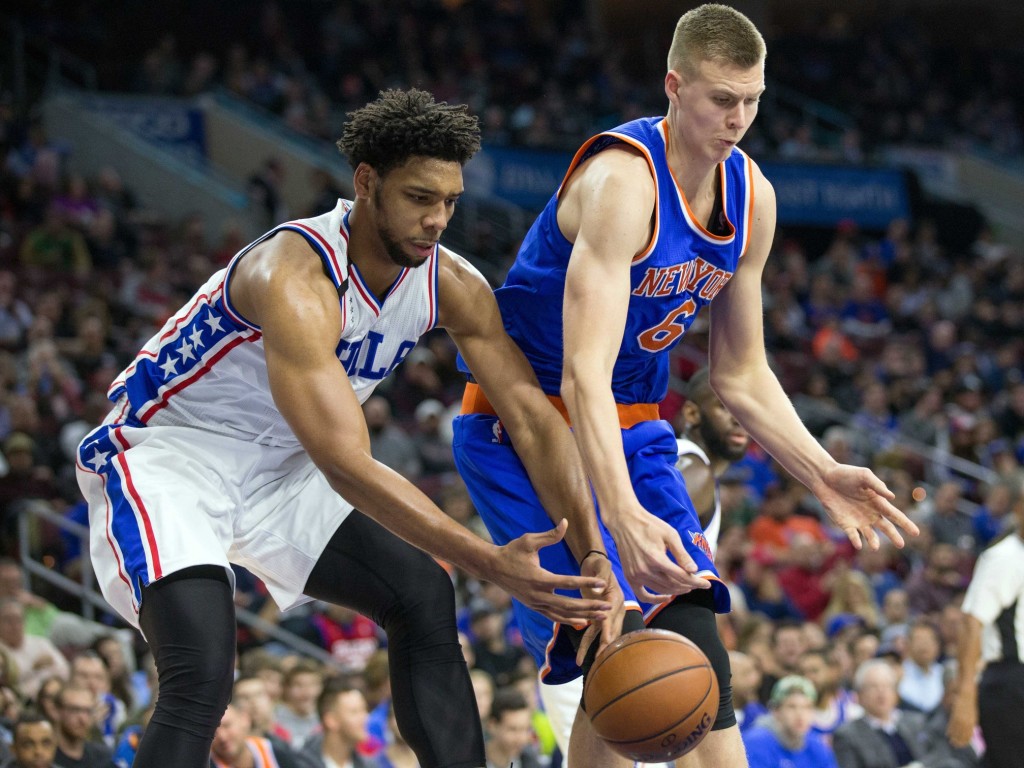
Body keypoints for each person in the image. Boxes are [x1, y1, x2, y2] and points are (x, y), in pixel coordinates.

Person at [75, 88, 617, 768]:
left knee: (422, 593)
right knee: (202, 671)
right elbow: (345, 463)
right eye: (419, 197)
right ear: (366, 183)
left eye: (450, 202)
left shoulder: (450, 283)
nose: (436, 220)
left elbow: (533, 419)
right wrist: (490, 563)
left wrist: (593, 549)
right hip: (170, 457)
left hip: (283, 466)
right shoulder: (294, 276)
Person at [451, 5, 918, 766]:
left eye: (753, 100)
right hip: (524, 422)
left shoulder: (753, 198)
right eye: (722, 99)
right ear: (674, 86)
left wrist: (819, 469)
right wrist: (623, 517)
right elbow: (583, 374)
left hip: (634, 422)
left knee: (695, 638)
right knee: (612, 645)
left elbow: (740, 372)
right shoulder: (623, 181)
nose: (739, 119)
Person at [948, 477, 1024, 768]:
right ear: (1019, 509)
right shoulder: (1004, 557)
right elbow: (971, 623)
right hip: (1009, 681)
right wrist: (965, 694)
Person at [832, 659, 960, 768]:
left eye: (887, 686)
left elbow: (940, 752)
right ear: (859, 695)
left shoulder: (916, 722)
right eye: (873, 687)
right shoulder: (848, 735)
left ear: (896, 693)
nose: (881, 692)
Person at [741, 676, 838, 768]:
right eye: (792, 707)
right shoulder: (756, 742)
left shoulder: (816, 744)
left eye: (807, 707)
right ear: (776, 711)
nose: (800, 714)